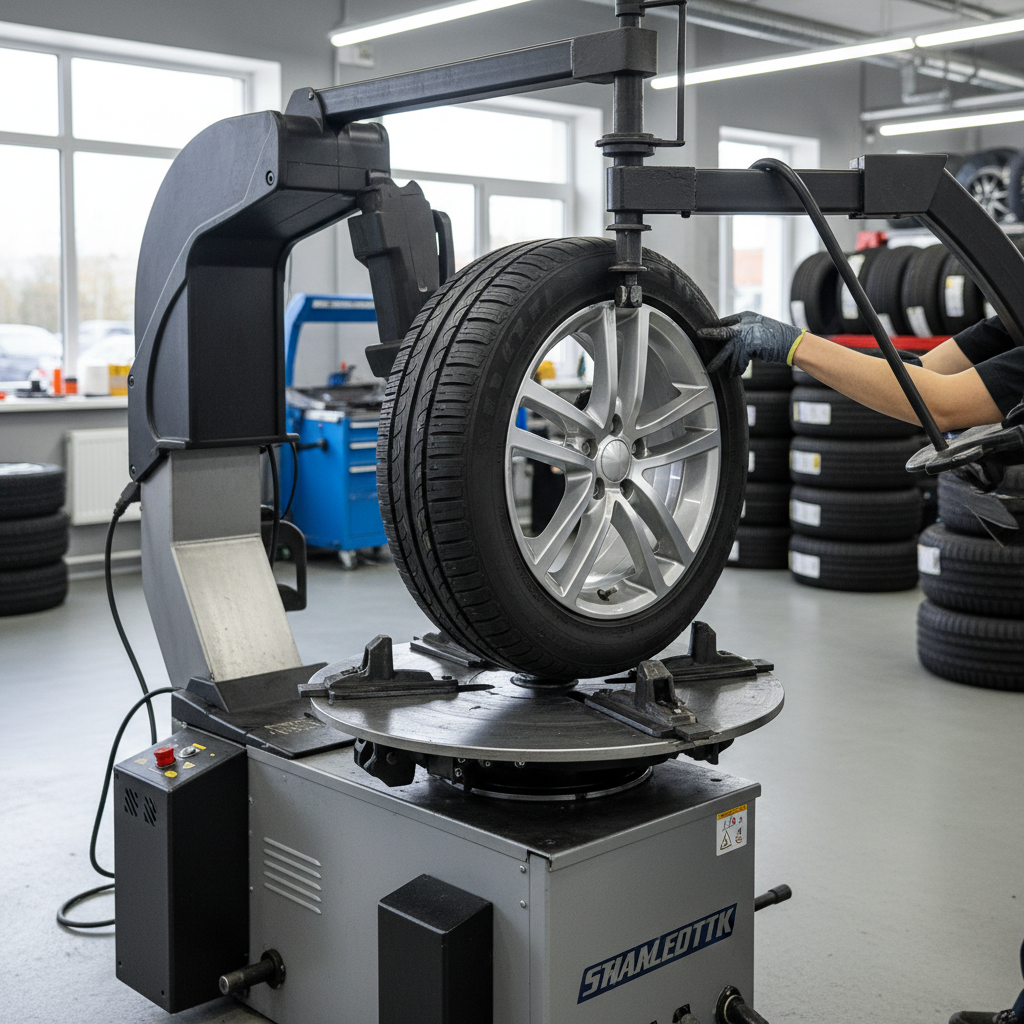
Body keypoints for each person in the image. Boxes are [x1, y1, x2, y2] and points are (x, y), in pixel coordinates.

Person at [698, 309, 1024, 1024]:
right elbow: (930, 373)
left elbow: (939, 406)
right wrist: (814, 352)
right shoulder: (1015, 300)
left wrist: (796, 346)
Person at [699, 311, 1024, 430]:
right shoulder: (1012, 317)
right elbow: (923, 371)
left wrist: (793, 345)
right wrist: (799, 345)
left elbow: (942, 404)